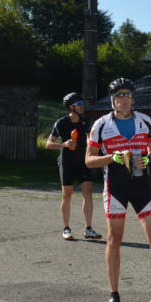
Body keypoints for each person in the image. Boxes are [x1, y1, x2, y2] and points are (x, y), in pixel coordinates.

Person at [85, 78, 151, 302]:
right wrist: (111, 158)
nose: (124, 99)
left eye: (127, 94)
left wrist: (148, 158)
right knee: (114, 239)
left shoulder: (146, 121)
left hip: (141, 185)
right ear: (113, 100)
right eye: (119, 95)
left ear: (133, 99)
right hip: (115, 187)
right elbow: (89, 160)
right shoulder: (101, 125)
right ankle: (114, 294)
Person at [45, 92, 102, 241]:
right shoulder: (61, 123)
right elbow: (48, 144)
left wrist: (93, 150)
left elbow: (91, 139)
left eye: (82, 104)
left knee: (88, 193)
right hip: (66, 162)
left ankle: (88, 229)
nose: (82, 106)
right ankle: (66, 229)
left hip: (83, 162)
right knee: (67, 195)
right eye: (79, 104)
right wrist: (64, 144)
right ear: (71, 107)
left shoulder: (86, 121)